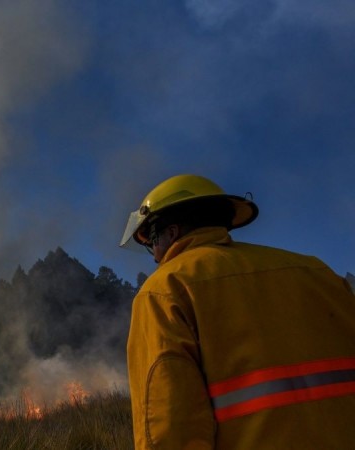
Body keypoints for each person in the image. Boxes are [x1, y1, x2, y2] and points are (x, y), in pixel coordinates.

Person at [119, 174, 355, 450]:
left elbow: (170, 427)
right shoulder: (319, 273)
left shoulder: (165, 289)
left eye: (153, 242)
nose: (155, 256)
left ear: (171, 233)